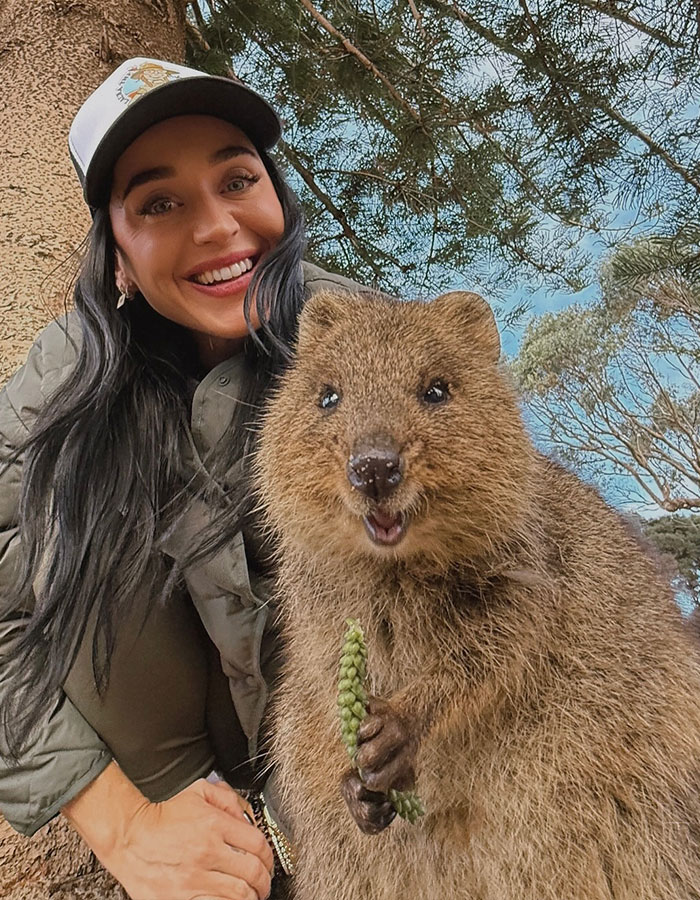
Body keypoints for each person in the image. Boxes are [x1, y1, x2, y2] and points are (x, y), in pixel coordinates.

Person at [0, 57, 376, 900]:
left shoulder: (366, 337)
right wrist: (125, 826)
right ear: (119, 257)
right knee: (69, 513)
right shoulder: (65, 374)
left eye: (238, 178)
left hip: (351, 767)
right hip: (172, 764)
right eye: (159, 203)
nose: (216, 227)